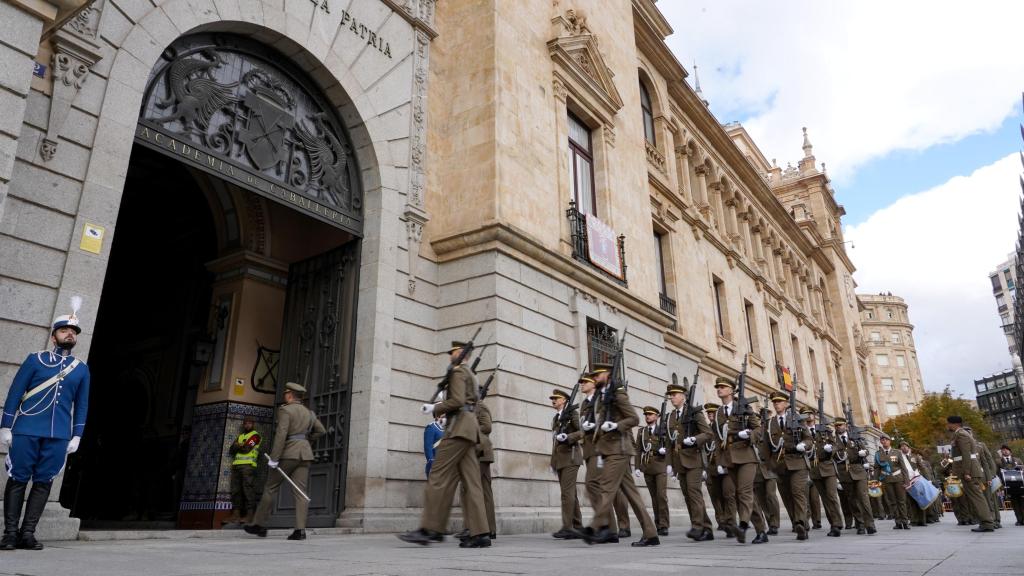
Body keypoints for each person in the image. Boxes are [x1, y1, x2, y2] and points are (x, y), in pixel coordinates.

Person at [1, 302, 90, 551]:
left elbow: (81, 405)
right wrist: (6, 425)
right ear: (54, 336)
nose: (69, 334)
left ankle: (27, 533)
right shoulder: (35, 360)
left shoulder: (81, 369)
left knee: (43, 483)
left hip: (58, 434)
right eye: (64, 330)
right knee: (18, 479)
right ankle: (9, 533)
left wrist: (77, 435)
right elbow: (15, 393)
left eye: (73, 331)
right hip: (27, 428)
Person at [398, 342, 489, 548]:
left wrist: (435, 406)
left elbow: (456, 401)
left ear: (461, 354)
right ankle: (480, 532)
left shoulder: (458, 373)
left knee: (437, 475)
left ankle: (429, 529)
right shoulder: (471, 374)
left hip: (457, 429)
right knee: (472, 482)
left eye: (453, 352)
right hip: (469, 430)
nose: (451, 356)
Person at [580, 363, 659, 546]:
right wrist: (596, 430)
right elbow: (602, 420)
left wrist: (616, 426)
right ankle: (650, 533)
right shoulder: (602, 396)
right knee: (632, 494)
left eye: (597, 375)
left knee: (606, 487)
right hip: (608, 449)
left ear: (607, 374)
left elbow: (634, 418)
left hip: (619, 449)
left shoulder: (618, 394)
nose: (595, 379)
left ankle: (596, 527)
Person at [244, 382, 326, 540]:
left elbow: (281, 435)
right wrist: (307, 440)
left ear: (290, 395)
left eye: (285, 393)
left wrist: (274, 458)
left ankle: (259, 525)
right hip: (305, 454)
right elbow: (321, 430)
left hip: (289, 454)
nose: (284, 396)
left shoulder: (286, 410)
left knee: (270, 487)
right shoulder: (310, 413)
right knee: (300, 492)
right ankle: (300, 530)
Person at [712, 375, 761, 544]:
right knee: (745, 495)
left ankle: (743, 525)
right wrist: (719, 462)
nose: (719, 389)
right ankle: (762, 531)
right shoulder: (718, 412)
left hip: (746, 456)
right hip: (729, 458)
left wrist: (748, 434)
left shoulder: (744, 406)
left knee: (744, 491)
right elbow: (717, 439)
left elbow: (758, 429)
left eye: (723, 387)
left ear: (732, 390)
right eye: (718, 387)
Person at [666, 381, 714, 541]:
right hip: (680, 461)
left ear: (683, 397)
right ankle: (707, 528)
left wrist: (694, 439)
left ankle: (697, 527)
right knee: (688, 495)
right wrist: (669, 464)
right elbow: (669, 442)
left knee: (694, 493)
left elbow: (708, 433)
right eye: (671, 396)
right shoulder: (671, 416)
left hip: (694, 459)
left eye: (674, 395)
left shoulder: (694, 413)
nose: (672, 398)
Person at [763, 390, 812, 541]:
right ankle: (795, 522)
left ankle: (801, 523)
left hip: (798, 462)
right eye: (775, 402)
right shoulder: (770, 423)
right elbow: (766, 447)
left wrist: (804, 445)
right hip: (779, 465)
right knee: (787, 496)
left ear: (786, 404)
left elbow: (808, 438)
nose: (777, 404)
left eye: (779, 402)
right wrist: (768, 465)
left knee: (798, 492)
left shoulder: (797, 418)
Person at [946, 416, 995, 532]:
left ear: (954, 424)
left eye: (948, 424)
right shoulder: (960, 434)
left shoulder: (961, 434)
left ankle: (987, 522)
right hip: (968, 470)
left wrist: (967, 472)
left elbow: (966, 454)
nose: (947, 426)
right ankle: (986, 521)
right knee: (977, 497)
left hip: (969, 471)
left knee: (977, 497)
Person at [832, 417, 876, 535]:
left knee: (864, 498)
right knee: (852, 500)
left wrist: (864, 453)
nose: (838, 427)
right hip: (844, 473)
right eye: (836, 426)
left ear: (845, 426)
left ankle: (870, 524)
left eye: (840, 425)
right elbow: (834, 454)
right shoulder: (833, 440)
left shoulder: (854, 437)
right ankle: (860, 524)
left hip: (858, 470)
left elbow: (865, 450)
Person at [550, 387, 584, 539]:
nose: (553, 400)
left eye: (556, 398)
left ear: (564, 400)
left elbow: (582, 432)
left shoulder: (572, 414)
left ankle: (567, 527)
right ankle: (577, 526)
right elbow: (554, 442)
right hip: (560, 460)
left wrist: (568, 437)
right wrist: (553, 462)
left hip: (571, 458)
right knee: (571, 494)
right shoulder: (556, 418)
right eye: (552, 399)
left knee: (566, 494)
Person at [803, 409, 843, 537]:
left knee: (831, 496)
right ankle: (833, 525)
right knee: (825, 498)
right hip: (813, 468)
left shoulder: (824, 430)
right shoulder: (801, 431)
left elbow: (835, 445)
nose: (808, 416)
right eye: (806, 414)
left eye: (810, 414)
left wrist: (831, 449)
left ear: (814, 416)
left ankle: (837, 524)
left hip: (827, 466)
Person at [634, 406, 669, 536]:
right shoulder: (642, 432)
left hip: (660, 465)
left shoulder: (663, 430)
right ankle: (658, 523)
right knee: (654, 497)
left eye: (650, 415)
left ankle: (664, 524)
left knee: (661, 496)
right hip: (647, 467)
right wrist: (637, 467)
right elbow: (638, 450)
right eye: (646, 415)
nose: (648, 416)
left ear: (657, 417)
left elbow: (670, 445)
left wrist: (665, 452)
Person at [224, 418, 262, 526]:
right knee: (236, 490)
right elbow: (231, 450)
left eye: (249, 423)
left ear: (253, 424)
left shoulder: (255, 436)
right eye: (245, 423)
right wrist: (239, 446)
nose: (247, 425)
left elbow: (246, 449)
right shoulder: (240, 436)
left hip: (248, 466)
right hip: (236, 466)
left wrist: (238, 445)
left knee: (247, 489)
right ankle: (236, 514)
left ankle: (250, 515)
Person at [875, 433, 909, 529]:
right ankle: (898, 522)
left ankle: (905, 521)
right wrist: (875, 480)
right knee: (892, 502)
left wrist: (907, 481)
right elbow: (877, 468)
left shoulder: (897, 452)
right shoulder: (878, 454)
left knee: (901, 501)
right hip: (887, 480)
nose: (884, 441)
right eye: (882, 440)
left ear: (889, 441)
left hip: (898, 479)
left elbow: (903, 467)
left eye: (886, 439)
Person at [997, 445, 1023, 525]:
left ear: (1010, 451)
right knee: (1014, 503)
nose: (1005, 451)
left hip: (1019, 484)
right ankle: (1019, 520)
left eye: (1007, 450)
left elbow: (1022, 470)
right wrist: (1000, 488)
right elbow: (997, 474)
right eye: (1003, 450)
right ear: (1001, 452)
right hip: (1007, 486)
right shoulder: (998, 461)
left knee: (1022, 502)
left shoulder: (1017, 460)